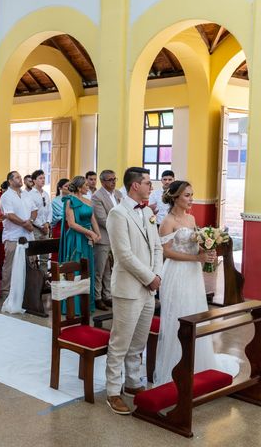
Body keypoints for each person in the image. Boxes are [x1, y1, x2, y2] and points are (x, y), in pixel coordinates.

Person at [154, 180, 239, 385]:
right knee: (178, 317)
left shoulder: (191, 218)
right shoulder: (168, 221)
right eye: (187, 195)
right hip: (175, 274)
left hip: (193, 274)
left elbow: (195, 245)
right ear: (175, 197)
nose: (191, 199)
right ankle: (174, 366)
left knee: (195, 313)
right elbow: (166, 252)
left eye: (192, 195)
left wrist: (205, 251)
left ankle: (198, 363)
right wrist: (197, 259)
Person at [105, 167, 162, 415]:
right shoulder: (118, 214)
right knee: (120, 342)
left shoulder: (148, 211)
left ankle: (132, 383)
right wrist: (150, 277)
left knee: (138, 342)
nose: (151, 187)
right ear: (135, 186)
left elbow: (157, 247)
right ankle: (112, 392)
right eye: (148, 183)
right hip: (129, 288)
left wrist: (157, 275)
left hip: (148, 289)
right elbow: (124, 255)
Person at [59, 176, 101, 314]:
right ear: (78, 187)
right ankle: (73, 306)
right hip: (76, 237)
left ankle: (86, 304)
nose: (88, 186)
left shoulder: (88, 201)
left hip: (87, 238)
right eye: (85, 185)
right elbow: (71, 224)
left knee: (87, 269)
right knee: (76, 268)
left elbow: (92, 219)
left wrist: (97, 233)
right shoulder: (70, 201)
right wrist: (90, 233)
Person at [0, 171, 35, 296]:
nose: (20, 179)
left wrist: (30, 221)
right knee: (10, 264)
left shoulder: (26, 194)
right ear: (10, 181)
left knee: (29, 262)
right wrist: (26, 224)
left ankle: (26, 289)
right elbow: (10, 215)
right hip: (13, 235)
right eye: (17, 177)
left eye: (20, 177)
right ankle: (6, 290)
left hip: (28, 235)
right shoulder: (6, 196)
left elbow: (34, 210)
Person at [91, 170, 122, 311]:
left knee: (110, 269)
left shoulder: (118, 194)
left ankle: (107, 295)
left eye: (114, 179)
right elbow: (102, 219)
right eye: (110, 180)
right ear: (102, 182)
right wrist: (121, 227)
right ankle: (97, 298)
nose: (113, 182)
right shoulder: (97, 197)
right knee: (100, 269)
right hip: (103, 237)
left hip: (117, 237)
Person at [25, 169, 52, 241]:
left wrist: (47, 223)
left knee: (46, 251)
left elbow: (50, 210)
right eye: (40, 178)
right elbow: (31, 212)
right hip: (35, 228)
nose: (43, 180)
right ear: (34, 180)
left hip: (46, 227)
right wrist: (41, 226)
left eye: (44, 178)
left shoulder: (46, 194)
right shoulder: (30, 195)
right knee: (35, 250)